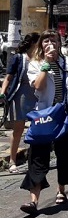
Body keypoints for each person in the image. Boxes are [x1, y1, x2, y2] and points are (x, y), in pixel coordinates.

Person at [20, 30, 68, 215]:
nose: (50, 43)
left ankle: (61, 190)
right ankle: (33, 201)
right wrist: (46, 64)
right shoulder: (35, 64)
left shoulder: (67, 61)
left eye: (54, 40)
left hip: (66, 117)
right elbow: (39, 86)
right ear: (41, 45)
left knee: (65, 155)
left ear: (59, 43)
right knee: (37, 158)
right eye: (46, 41)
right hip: (45, 117)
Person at [0, 33, 40, 174]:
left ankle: (34, 159)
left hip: (37, 96)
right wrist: (2, 92)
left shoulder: (41, 59)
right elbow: (8, 77)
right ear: (33, 43)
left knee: (38, 128)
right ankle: (12, 161)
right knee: (18, 129)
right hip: (21, 95)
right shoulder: (19, 58)